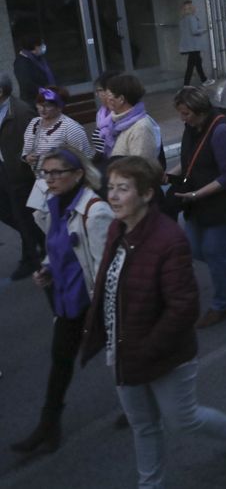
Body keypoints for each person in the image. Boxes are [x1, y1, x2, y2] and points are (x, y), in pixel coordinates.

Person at [80, 156, 226, 487]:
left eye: (123, 189)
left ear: (148, 194)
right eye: (111, 188)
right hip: (123, 350)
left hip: (165, 356)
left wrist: (145, 350)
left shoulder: (169, 240)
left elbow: (182, 308)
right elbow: (109, 285)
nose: (114, 196)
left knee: (183, 420)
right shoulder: (116, 229)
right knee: (144, 427)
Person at [10, 147, 112, 455]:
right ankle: (48, 425)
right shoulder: (51, 207)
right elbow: (59, 250)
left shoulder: (96, 212)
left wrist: (106, 309)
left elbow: (104, 267)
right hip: (67, 301)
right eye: (46, 173)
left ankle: (144, 407)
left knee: (122, 357)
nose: (50, 179)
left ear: (79, 174)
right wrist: (48, 270)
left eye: (57, 173)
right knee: (60, 362)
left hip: (95, 302)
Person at [166, 87, 226, 328]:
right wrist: (168, 175)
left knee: (213, 252)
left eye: (185, 113)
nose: (182, 118)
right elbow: (188, 161)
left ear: (199, 110)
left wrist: (197, 193)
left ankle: (221, 305)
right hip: (196, 202)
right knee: (196, 249)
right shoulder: (192, 126)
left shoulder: (221, 131)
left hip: (220, 204)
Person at [0, 74, 46, 281]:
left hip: (19, 176)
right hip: (3, 172)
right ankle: (40, 245)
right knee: (12, 215)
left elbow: (33, 146)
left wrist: (25, 170)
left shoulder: (21, 112)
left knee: (25, 218)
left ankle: (36, 261)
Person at [23, 86, 92, 174]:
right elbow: (26, 150)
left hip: (64, 179)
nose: (42, 109)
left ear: (59, 107)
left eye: (47, 105)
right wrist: (27, 157)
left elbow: (86, 158)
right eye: (40, 104)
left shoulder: (71, 127)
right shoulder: (34, 122)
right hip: (40, 179)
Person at [100, 74, 161, 167]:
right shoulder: (114, 123)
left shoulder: (141, 127)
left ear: (121, 99)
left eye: (109, 94)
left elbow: (141, 168)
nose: (107, 98)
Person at [14, 34, 56, 105]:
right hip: (34, 102)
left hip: (48, 98)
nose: (43, 46)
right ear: (35, 46)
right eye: (41, 44)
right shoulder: (22, 62)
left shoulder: (39, 59)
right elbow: (26, 84)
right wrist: (46, 93)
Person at [179, 1, 212, 87]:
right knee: (192, 65)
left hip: (189, 46)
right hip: (194, 46)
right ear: (191, 8)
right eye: (193, 6)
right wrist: (204, 30)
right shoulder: (192, 18)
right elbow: (194, 31)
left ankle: (203, 80)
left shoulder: (183, 19)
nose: (195, 7)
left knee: (197, 63)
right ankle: (187, 84)